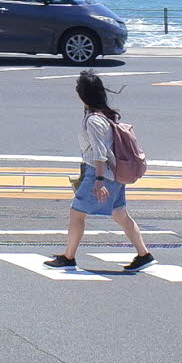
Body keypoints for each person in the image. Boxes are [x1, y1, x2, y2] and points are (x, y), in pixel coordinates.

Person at [45, 71, 154, 272]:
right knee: (120, 214)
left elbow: (100, 153)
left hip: (99, 173)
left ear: (83, 95)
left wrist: (98, 180)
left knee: (76, 213)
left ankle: (69, 257)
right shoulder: (103, 115)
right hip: (113, 175)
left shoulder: (94, 120)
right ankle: (144, 254)